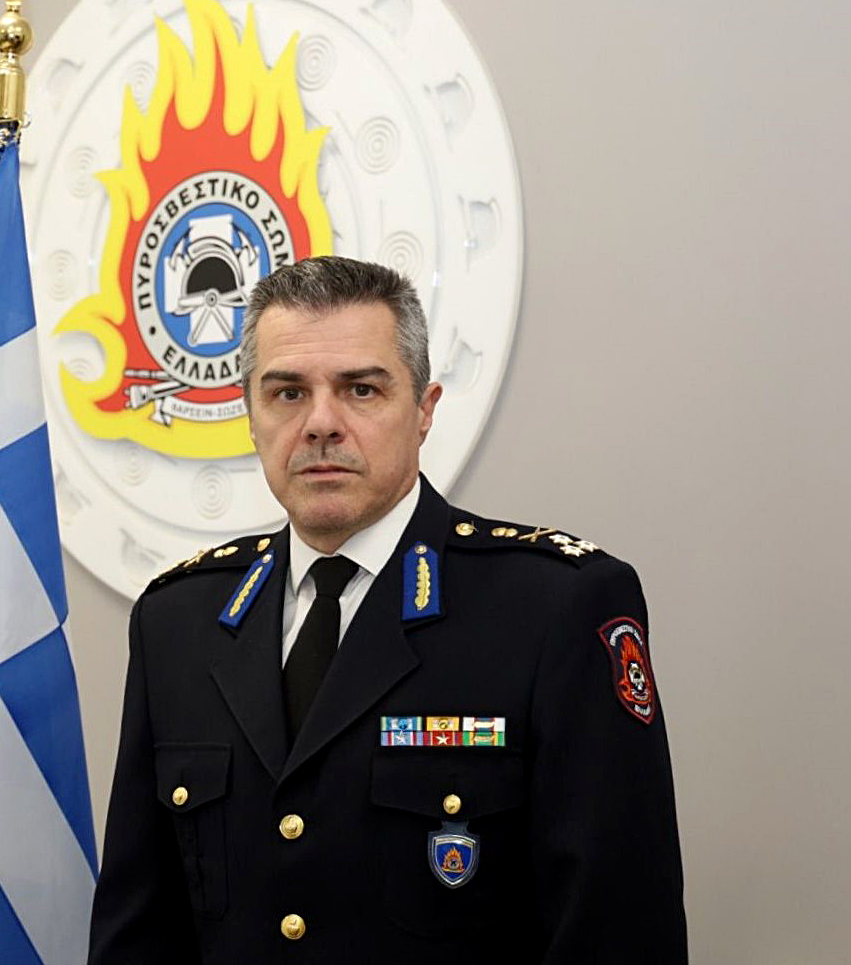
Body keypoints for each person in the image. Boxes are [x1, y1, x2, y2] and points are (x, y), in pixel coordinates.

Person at [87, 256, 687, 964]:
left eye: (361, 390)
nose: (320, 424)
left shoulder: (553, 609)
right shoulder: (178, 622)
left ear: (424, 409)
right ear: (250, 414)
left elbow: (618, 931)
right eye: (287, 393)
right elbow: (138, 935)